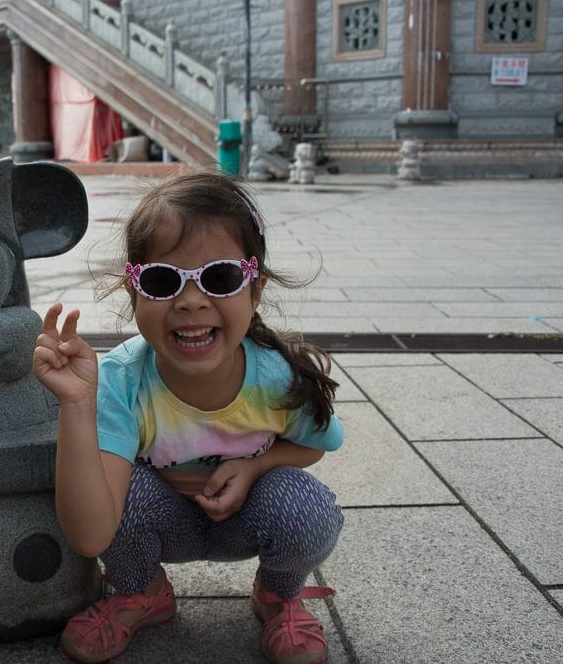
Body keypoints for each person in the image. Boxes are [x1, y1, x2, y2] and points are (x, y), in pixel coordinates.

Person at [33, 170, 345, 663]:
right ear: (134, 294)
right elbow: (91, 534)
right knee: (117, 488)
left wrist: (256, 465)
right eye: (162, 280)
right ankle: (142, 591)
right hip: (163, 521)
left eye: (220, 277)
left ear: (255, 289)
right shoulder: (121, 380)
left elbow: (320, 443)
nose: (192, 300)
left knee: (306, 507)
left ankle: (277, 594)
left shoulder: (277, 377)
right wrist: (75, 404)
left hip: (249, 517)